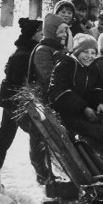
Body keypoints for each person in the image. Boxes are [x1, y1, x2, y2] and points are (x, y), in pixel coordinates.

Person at [48, 34, 103, 171]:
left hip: (85, 109)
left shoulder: (92, 67)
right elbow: (59, 93)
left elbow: (96, 88)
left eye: (93, 53)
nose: (89, 56)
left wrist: (99, 102)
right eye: (85, 52)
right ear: (76, 51)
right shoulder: (65, 66)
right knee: (94, 128)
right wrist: (83, 108)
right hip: (67, 113)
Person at [0, 18, 43, 169]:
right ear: (33, 35)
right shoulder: (24, 54)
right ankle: (42, 172)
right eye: (41, 33)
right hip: (16, 102)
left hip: (12, 101)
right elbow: (17, 82)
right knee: (38, 132)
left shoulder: (27, 50)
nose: (43, 36)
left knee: (5, 136)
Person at [27, 12, 70, 184]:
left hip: (58, 98)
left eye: (65, 31)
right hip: (46, 101)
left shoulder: (59, 49)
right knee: (40, 138)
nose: (64, 35)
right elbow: (48, 77)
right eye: (60, 31)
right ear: (51, 31)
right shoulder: (43, 50)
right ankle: (43, 173)